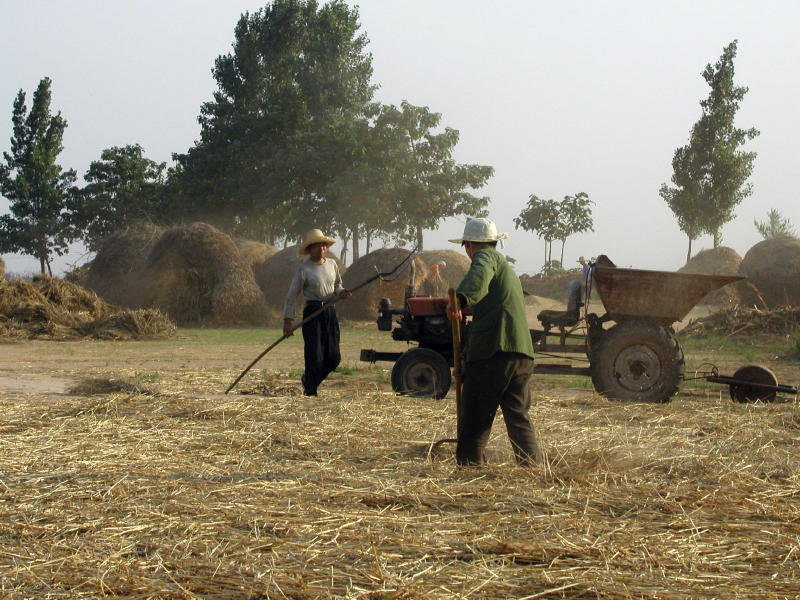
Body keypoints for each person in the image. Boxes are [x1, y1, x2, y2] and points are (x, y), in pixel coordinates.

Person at [448, 218, 542, 466]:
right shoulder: (506, 268)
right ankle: (532, 468)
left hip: (495, 351)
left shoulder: (485, 257)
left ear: (469, 245)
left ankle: (469, 470)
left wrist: (460, 299)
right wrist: (466, 363)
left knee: (475, 416)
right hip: (520, 353)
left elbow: (478, 277)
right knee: (517, 415)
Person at [283, 229, 352, 396]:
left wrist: (342, 293)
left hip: (329, 311)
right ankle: (310, 390)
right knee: (315, 354)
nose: (321, 248)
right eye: (316, 246)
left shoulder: (332, 265)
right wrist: (288, 320)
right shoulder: (304, 269)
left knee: (334, 357)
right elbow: (292, 294)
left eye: (323, 245)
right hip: (313, 312)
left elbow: (337, 286)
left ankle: (309, 380)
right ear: (310, 249)